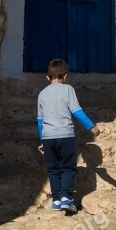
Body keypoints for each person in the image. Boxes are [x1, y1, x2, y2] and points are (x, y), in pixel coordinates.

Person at [37, 59, 99, 212]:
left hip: (48, 137)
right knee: (68, 167)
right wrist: (91, 127)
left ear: (47, 77)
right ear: (65, 76)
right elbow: (77, 111)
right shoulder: (68, 89)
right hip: (65, 136)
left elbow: (40, 120)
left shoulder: (42, 94)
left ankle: (57, 200)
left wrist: (42, 140)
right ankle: (66, 197)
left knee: (53, 168)